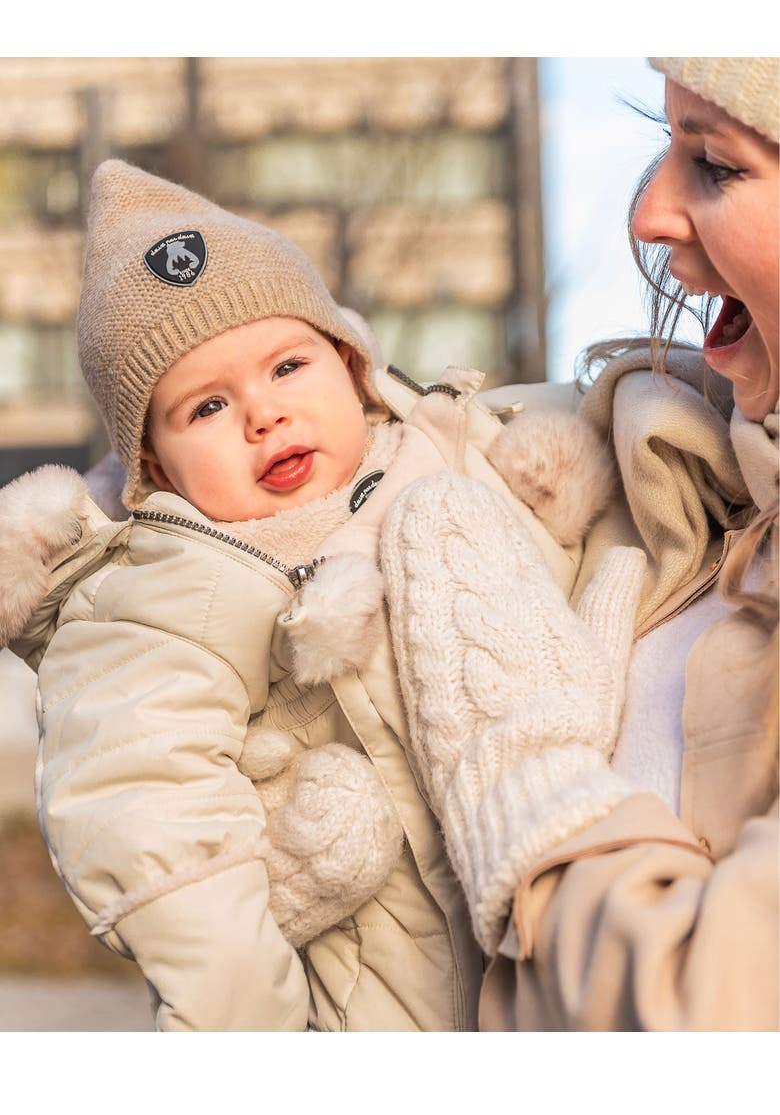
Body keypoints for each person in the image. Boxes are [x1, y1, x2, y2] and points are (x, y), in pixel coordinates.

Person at [0, 159, 614, 1031]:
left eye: (289, 365)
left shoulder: (443, 452)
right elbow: (149, 820)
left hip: (571, 956)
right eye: (206, 408)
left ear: (352, 362)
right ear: (150, 468)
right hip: (385, 1009)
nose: (264, 415)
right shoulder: (158, 594)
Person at [381, 56, 779, 1030]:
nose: (648, 212)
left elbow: (714, 1017)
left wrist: (525, 792)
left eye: (716, 165)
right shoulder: (667, 456)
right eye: (665, 140)